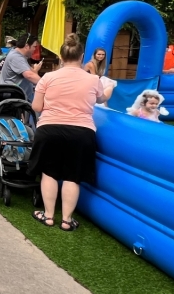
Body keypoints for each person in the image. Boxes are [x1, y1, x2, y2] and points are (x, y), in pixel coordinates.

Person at [29, 33, 113, 232]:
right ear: (82, 56)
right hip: (81, 132)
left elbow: (37, 106)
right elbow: (101, 100)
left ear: (61, 56)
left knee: (48, 173)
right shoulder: (93, 79)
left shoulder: (48, 78)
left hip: (50, 129)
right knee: (72, 176)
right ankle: (66, 220)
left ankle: (48, 216)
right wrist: (109, 89)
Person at [0, 33, 43, 101]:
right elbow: (29, 75)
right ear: (27, 46)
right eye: (34, 46)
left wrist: (35, 71)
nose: (35, 49)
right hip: (13, 98)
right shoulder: (16, 57)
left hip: (19, 96)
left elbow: (31, 72)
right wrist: (47, 84)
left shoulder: (18, 55)